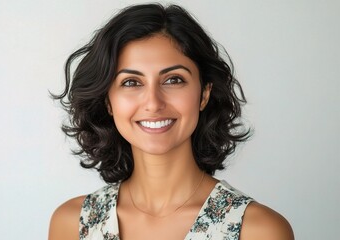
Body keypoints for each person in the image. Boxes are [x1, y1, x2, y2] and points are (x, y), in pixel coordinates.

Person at [49, 3, 294, 240]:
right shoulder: (73, 224)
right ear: (108, 102)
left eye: (173, 80)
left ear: (204, 94)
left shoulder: (259, 231)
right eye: (131, 82)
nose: (153, 103)